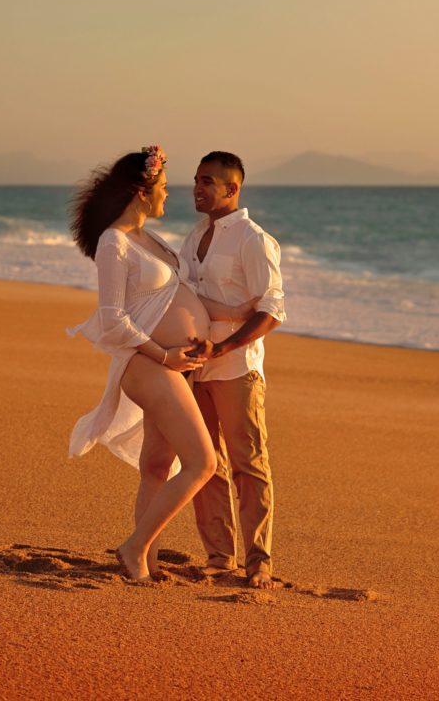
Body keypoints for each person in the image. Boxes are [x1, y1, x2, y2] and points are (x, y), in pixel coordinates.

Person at [64, 146, 252, 582]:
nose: (171, 194)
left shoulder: (151, 239)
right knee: (203, 463)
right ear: (141, 190)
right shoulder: (115, 241)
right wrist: (164, 354)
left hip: (169, 367)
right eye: (163, 186)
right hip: (150, 367)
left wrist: (242, 312)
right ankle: (134, 547)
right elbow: (113, 318)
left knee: (155, 465)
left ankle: (144, 561)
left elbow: (174, 297)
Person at [176, 151, 285, 589]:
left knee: (248, 464)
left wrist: (224, 346)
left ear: (232, 189)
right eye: (196, 180)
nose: (198, 188)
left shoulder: (253, 240)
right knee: (206, 464)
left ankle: (259, 560)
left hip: (237, 369)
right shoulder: (194, 236)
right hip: (194, 367)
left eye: (208, 181)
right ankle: (220, 556)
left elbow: (272, 310)